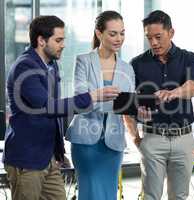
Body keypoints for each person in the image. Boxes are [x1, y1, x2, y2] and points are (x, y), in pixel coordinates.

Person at [3, 15, 120, 200]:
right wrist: (93, 96)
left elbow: (55, 115)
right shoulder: (24, 67)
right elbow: (49, 107)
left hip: (47, 158)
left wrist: (58, 150)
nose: (63, 44)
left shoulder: (51, 65)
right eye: (58, 40)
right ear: (41, 41)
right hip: (26, 160)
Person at [124, 10, 194, 200]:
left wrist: (173, 93)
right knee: (150, 196)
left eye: (158, 37)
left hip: (183, 139)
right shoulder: (136, 64)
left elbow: (193, 87)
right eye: (149, 38)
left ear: (171, 32)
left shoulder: (190, 59)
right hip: (152, 138)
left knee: (179, 196)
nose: (153, 43)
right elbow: (128, 107)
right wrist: (136, 139)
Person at [65, 11, 135, 200]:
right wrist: (98, 97)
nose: (118, 38)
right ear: (99, 33)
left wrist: (139, 111)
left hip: (113, 144)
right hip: (86, 142)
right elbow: (80, 100)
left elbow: (127, 107)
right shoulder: (83, 61)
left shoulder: (127, 68)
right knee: (90, 192)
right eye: (113, 33)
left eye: (122, 33)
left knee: (109, 193)